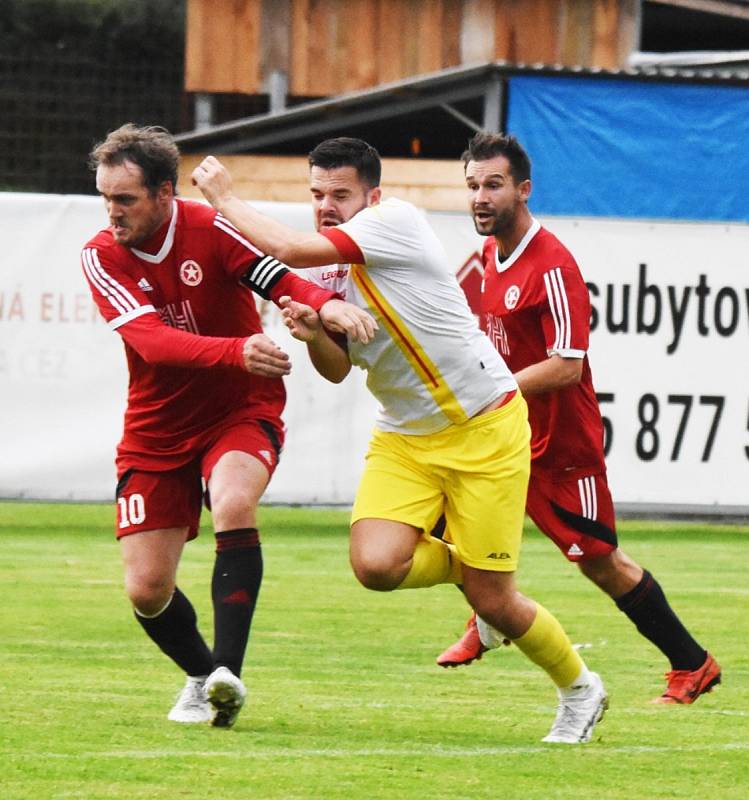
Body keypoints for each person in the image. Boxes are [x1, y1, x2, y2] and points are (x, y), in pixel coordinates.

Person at [192, 137, 609, 744]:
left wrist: (224, 199)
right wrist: (312, 331)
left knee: (498, 602)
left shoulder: (395, 223)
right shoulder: (327, 269)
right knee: (375, 566)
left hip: (485, 426)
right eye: (316, 195)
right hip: (405, 436)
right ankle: (474, 576)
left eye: (340, 194)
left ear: (373, 196)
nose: (326, 206)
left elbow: (281, 247)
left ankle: (579, 689)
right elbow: (336, 370)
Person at [81, 124, 374, 728]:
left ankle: (228, 676)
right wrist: (234, 350)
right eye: (106, 199)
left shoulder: (206, 225)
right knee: (146, 590)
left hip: (241, 408)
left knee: (234, 500)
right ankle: (201, 672)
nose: (113, 213)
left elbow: (274, 275)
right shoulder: (100, 254)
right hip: (157, 431)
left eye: (125, 199)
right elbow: (152, 343)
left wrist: (324, 305)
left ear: (165, 193)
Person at [436, 131, 721, 706]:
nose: (481, 198)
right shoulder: (491, 255)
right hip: (510, 433)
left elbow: (567, 366)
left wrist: (490, 390)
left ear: (524, 189)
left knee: (602, 564)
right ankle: (489, 616)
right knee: (454, 515)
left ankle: (693, 663)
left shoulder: (553, 265)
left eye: (493, 185)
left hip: (562, 445)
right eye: (473, 186)